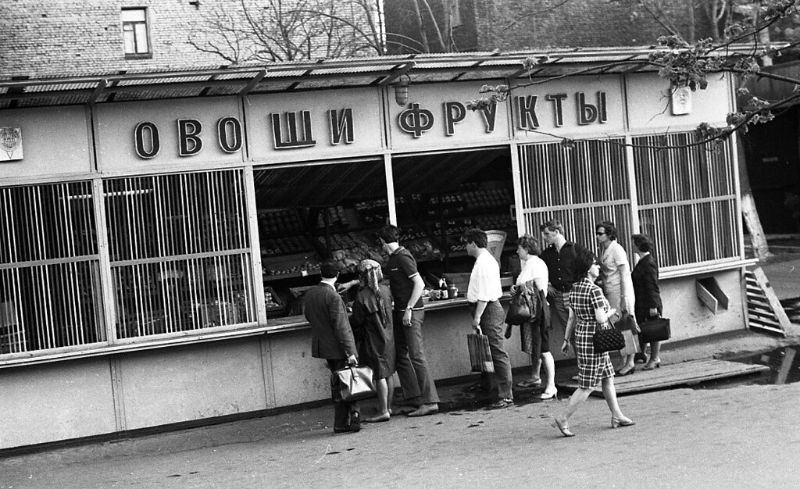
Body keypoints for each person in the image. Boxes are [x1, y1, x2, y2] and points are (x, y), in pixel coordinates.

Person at [552, 247, 635, 437]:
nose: (598, 267)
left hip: (583, 336)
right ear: (588, 268)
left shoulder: (575, 289)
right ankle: (563, 418)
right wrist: (611, 312)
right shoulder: (595, 290)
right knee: (587, 385)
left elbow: (572, 318)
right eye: (595, 264)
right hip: (597, 338)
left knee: (607, 377)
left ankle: (617, 415)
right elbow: (600, 318)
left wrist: (566, 339)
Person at [377, 225, 439, 417]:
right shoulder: (394, 258)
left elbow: (419, 283)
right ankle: (414, 398)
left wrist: (409, 309)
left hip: (411, 313)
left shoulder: (403, 257)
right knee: (401, 355)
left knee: (416, 356)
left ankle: (430, 401)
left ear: (381, 241)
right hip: (402, 312)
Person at [304, 260, 361, 434]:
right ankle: (354, 416)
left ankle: (341, 422)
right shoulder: (333, 297)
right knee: (349, 383)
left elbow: (309, 316)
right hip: (339, 347)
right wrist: (351, 352)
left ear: (321, 274)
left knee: (338, 384)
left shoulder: (311, 293)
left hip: (324, 346)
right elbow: (342, 327)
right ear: (337, 276)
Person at [464, 228, 514, 408]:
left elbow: (484, 294)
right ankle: (489, 385)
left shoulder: (484, 263)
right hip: (487, 308)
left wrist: (477, 317)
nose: (466, 247)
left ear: (474, 243)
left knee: (497, 351)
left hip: (488, 309)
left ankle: (506, 395)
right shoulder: (484, 261)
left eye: (467, 243)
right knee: (487, 350)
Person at [510, 234, 558, 400]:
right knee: (536, 347)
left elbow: (530, 287)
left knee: (543, 349)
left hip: (538, 311)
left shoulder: (534, 264)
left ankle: (551, 385)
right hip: (536, 310)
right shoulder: (532, 263)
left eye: (520, 248)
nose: (517, 251)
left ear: (527, 249)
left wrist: (517, 288)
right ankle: (536, 377)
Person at [348, 259, 396, 422]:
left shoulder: (362, 296)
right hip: (388, 336)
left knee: (379, 375)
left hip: (373, 338)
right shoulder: (386, 290)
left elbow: (357, 320)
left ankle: (383, 411)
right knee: (388, 372)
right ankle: (388, 406)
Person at [595, 221, 639, 376]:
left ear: (609, 234)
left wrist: (623, 297)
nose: (598, 236)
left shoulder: (617, 249)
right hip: (610, 291)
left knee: (625, 325)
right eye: (597, 233)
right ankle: (623, 359)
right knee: (617, 327)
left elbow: (624, 275)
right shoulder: (605, 249)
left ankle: (630, 361)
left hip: (620, 291)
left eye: (601, 233)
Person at [539, 219, 586, 354]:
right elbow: (538, 269)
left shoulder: (575, 249)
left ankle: (587, 366)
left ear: (557, 232)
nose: (545, 238)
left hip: (574, 293)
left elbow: (590, 267)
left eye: (547, 234)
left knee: (581, 331)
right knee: (569, 331)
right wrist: (547, 285)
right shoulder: (547, 254)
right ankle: (581, 367)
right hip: (559, 295)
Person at [631, 234, 664, 371]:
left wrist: (653, 306)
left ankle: (655, 358)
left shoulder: (648, 262)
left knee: (653, 329)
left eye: (634, 243)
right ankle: (642, 354)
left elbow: (652, 286)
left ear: (639, 245)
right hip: (643, 301)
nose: (632, 245)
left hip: (649, 302)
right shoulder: (643, 261)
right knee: (644, 327)